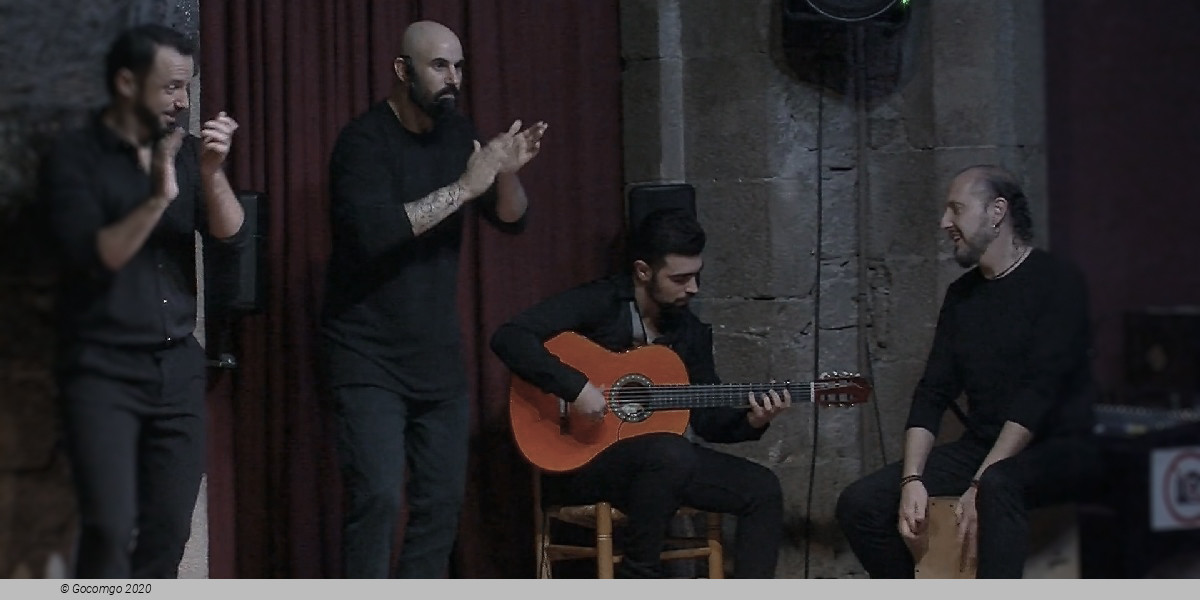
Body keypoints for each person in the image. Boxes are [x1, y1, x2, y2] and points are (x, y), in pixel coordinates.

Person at [320, 20, 548, 578]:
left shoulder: (457, 133)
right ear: (403, 71)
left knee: (441, 505)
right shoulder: (362, 143)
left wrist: (507, 175)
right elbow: (377, 234)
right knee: (377, 499)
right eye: (439, 66)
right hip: (365, 352)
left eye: (459, 67)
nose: (453, 79)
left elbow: (509, 219)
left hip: (436, 358)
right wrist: (467, 186)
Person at [40, 24, 247, 578]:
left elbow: (228, 233)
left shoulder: (180, 151)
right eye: (172, 87)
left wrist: (211, 173)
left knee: (170, 525)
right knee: (104, 528)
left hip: (175, 358)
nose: (184, 102)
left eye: (189, 87)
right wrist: (156, 199)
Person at [490, 207, 791, 578]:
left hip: (661, 467)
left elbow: (709, 419)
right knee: (670, 451)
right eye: (680, 279)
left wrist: (751, 420)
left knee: (762, 489)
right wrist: (576, 388)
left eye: (696, 276)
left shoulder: (690, 332)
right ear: (643, 271)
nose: (692, 289)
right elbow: (510, 337)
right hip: (582, 460)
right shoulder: (599, 302)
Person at [835, 164, 1104, 578]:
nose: (945, 223)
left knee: (998, 486)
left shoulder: (1057, 282)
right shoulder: (961, 297)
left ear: (997, 212)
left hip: (1062, 446)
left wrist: (979, 482)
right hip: (985, 446)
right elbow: (932, 392)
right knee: (861, 503)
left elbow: (1038, 394)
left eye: (956, 209)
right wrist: (911, 480)